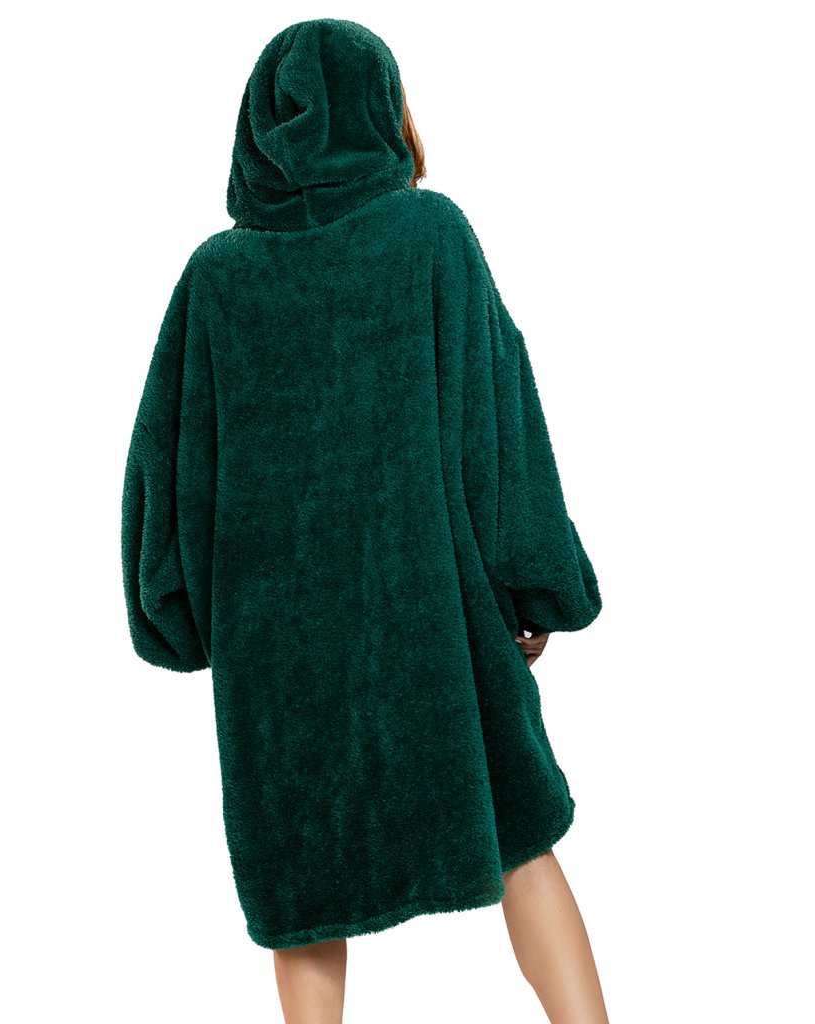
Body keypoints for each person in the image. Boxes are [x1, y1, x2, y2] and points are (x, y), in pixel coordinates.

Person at [121, 17, 609, 1024]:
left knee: (304, 893)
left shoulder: (216, 278)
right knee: (519, 834)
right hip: (432, 619)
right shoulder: (431, 236)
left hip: (277, 652)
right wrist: (537, 585)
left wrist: (182, 619)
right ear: (385, 108)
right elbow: (498, 429)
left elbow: (169, 469)